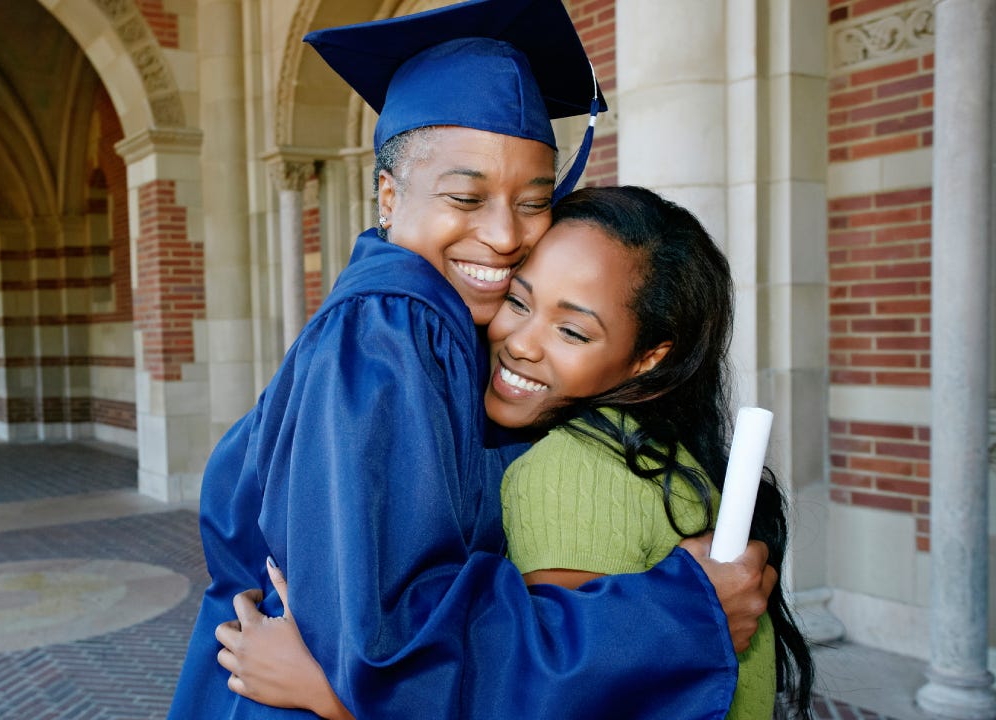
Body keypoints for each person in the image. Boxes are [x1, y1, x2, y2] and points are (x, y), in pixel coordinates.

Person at [167, 2, 776, 718]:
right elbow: (392, 642)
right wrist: (679, 616)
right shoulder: (391, 324)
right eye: (466, 195)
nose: (504, 234)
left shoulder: (445, 336)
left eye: (534, 200)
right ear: (388, 198)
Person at [218, 186, 816, 719]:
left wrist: (334, 694)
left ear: (648, 358)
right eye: (520, 302)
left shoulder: (566, 475)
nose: (521, 344)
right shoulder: (661, 455)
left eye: (573, 331)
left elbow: (563, 695)